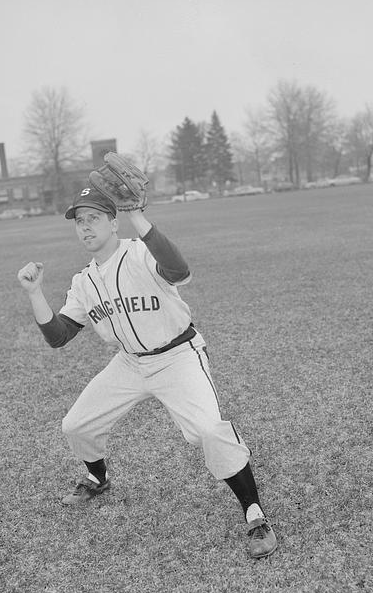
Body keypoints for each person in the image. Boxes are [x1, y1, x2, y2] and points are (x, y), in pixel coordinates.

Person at [17, 185, 277, 558]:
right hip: (130, 362)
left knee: (208, 430)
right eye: (79, 221)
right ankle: (98, 477)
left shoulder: (141, 252)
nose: (85, 227)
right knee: (76, 425)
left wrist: (138, 215)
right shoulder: (83, 281)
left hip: (177, 356)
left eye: (93, 218)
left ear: (112, 221)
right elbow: (59, 336)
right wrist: (35, 293)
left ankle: (254, 513)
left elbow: (179, 270)